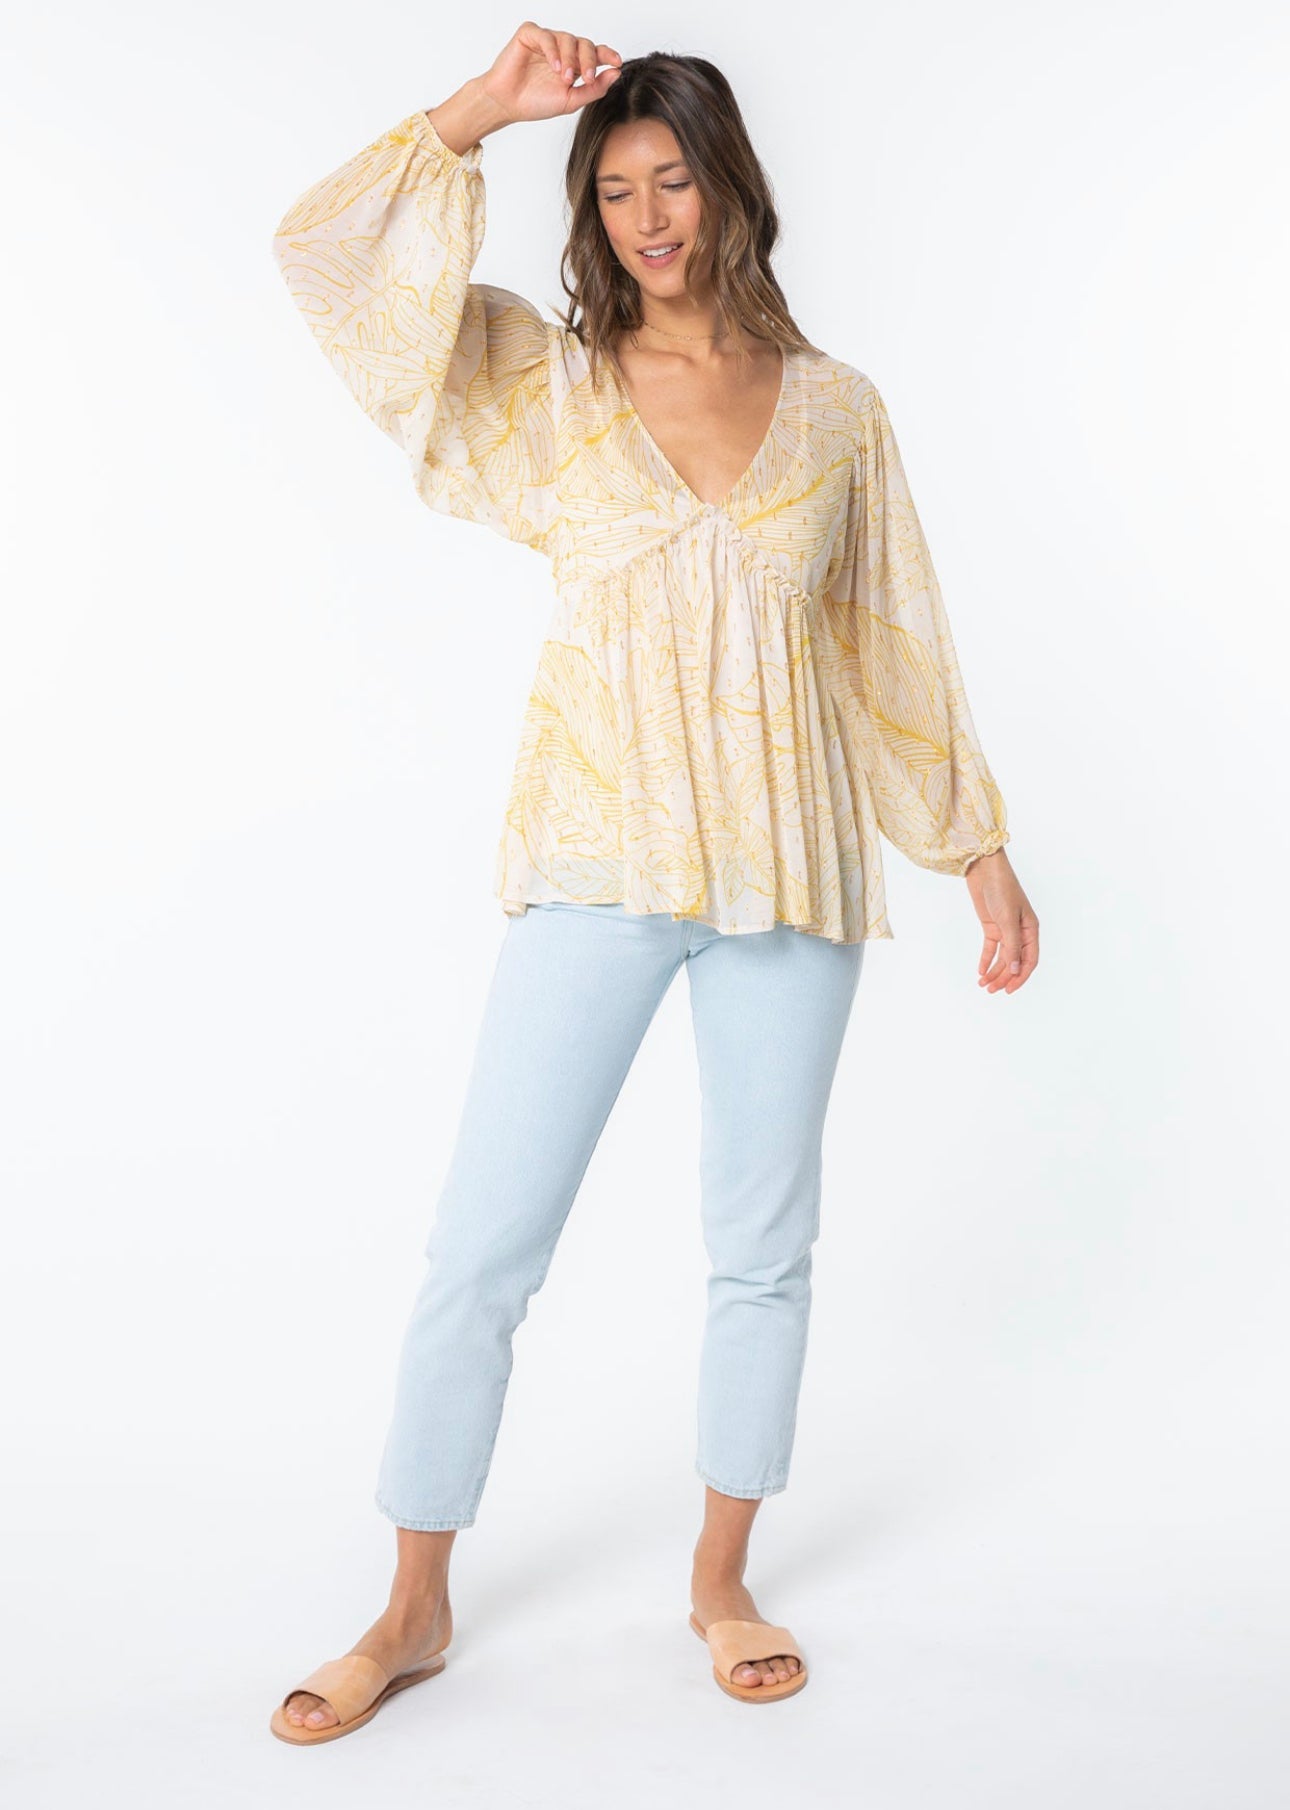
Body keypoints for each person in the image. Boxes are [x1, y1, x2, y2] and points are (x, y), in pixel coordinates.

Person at [267, 25, 1039, 1740]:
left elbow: (894, 644)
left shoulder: (836, 409)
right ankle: (410, 1602)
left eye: (671, 178)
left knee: (762, 1246)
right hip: (597, 859)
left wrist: (978, 855)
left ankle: (720, 1577)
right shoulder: (538, 387)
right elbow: (324, 261)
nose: (646, 217)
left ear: (726, 183)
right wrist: (483, 108)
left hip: (789, 861)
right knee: (485, 1244)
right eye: (613, 190)